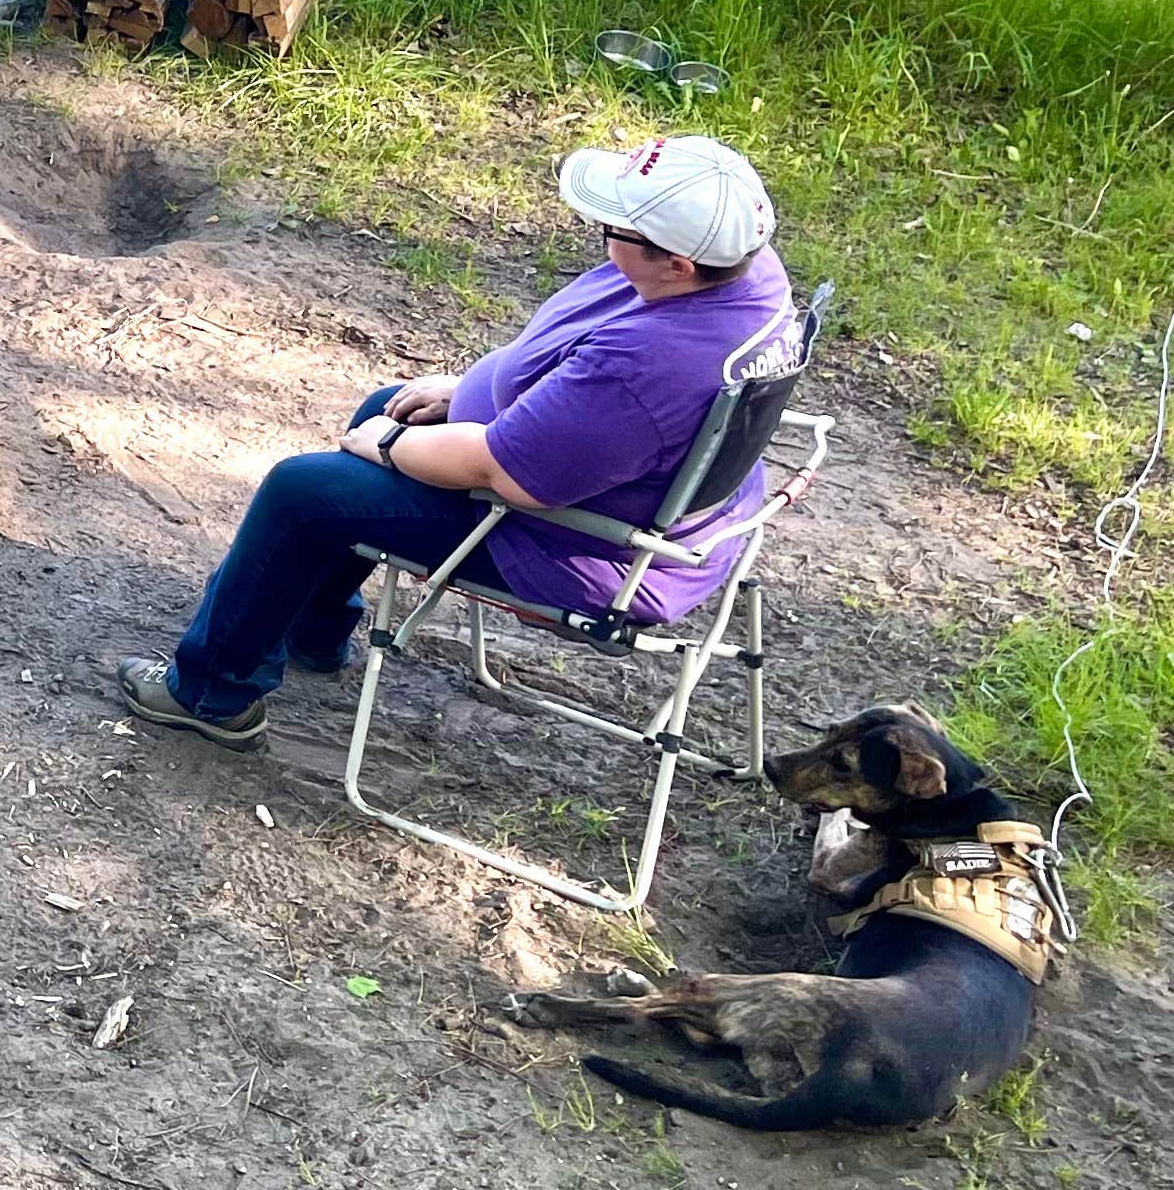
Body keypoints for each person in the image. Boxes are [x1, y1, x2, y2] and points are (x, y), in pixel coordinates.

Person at [110, 137, 795, 745]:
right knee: (390, 409)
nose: (600, 233)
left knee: (303, 490)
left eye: (613, 230)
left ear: (675, 263)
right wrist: (468, 390)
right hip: (629, 491)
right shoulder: (744, 275)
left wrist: (385, 447)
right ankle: (313, 631)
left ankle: (211, 695)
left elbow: (505, 472)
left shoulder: (650, 366)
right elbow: (566, 375)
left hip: (579, 545)